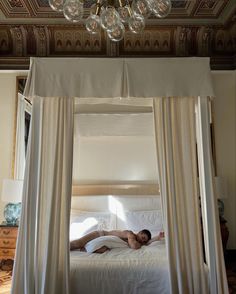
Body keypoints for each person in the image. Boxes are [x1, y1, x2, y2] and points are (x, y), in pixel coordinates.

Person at [70, 229, 152, 253]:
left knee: (102, 249)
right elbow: (134, 246)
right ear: (140, 232)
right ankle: (60, 248)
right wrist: (142, 244)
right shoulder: (130, 234)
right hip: (99, 234)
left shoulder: (136, 240)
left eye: (144, 241)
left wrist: (157, 238)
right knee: (78, 243)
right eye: (143, 237)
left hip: (103, 240)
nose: (142, 241)